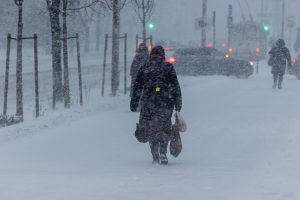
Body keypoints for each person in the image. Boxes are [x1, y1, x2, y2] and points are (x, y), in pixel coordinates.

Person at [130, 45, 182, 165]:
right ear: (163, 55)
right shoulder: (168, 67)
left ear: (150, 55)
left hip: (149, 104)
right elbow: (175, 87)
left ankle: (155, 156)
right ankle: (163, 153)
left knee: (151, 129)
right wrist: (178, 104)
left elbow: (137, 87)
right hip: (166, 103)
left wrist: (134, 102)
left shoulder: (145, 67)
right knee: (164, 128)